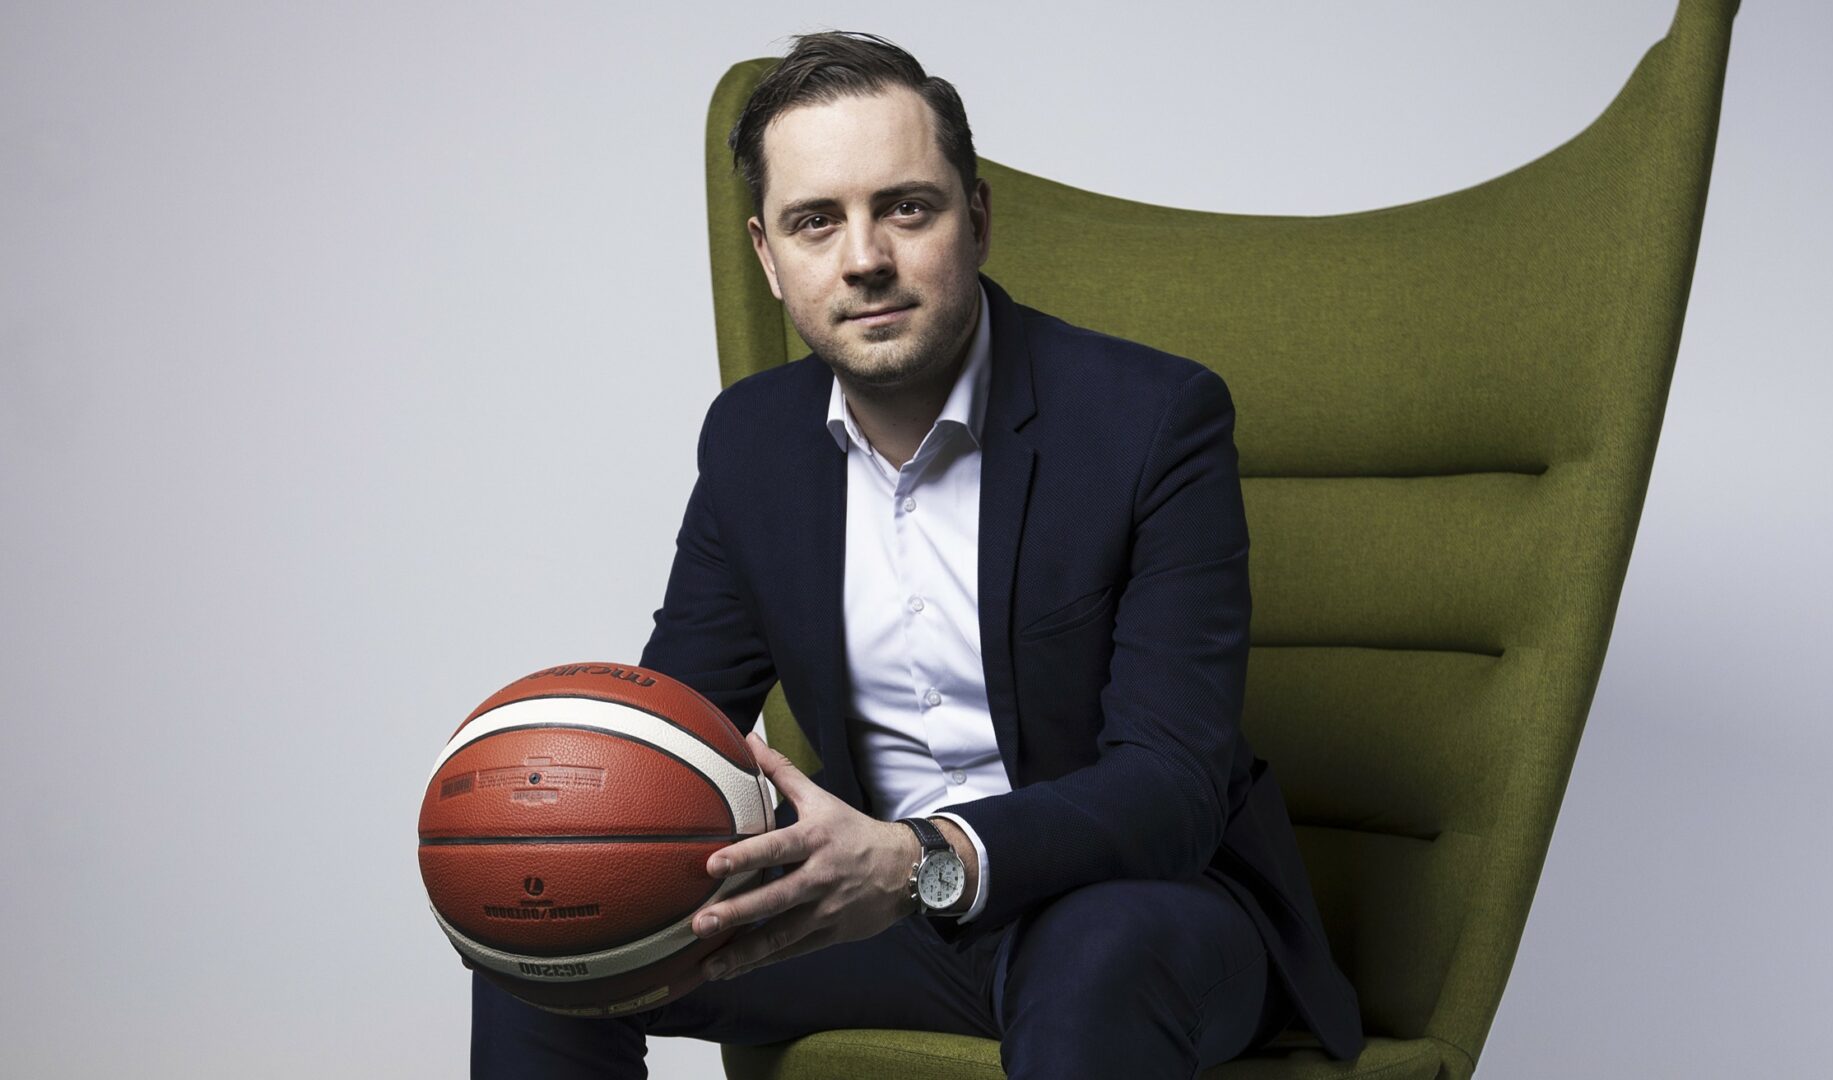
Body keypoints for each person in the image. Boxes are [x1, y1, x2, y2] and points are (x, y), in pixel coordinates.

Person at [472, 30, 1363, 1078]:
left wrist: (918, 858)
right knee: (542, 935)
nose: (864, 259)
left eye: (905, 207)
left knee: (1097, 956)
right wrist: (537, 821)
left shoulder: (1152, 420)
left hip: (1137, 907)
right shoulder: (753, 443)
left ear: (975, 219)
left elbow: (1172, 789)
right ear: (768, 256)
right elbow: (675, 732)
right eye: (816, 221)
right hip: (876, 920)